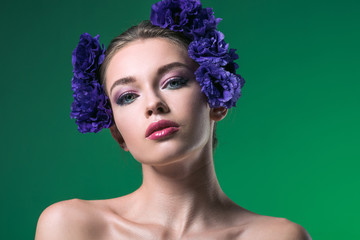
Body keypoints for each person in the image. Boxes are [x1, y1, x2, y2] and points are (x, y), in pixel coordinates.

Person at [35, 1, 311, 239]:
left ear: (216, 98)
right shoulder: (70, 227)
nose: (153, 104)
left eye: (174, 82)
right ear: (118, 134)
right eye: (128, 97)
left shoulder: (280, 237)